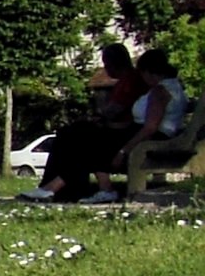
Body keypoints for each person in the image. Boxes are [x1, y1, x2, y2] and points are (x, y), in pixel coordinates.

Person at [22, 43, 147, 202]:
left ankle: (55, 188)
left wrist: (100, 116)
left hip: (122, 134)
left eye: (106, 63)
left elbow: (117, 110)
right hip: (118, 130)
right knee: (70, 135)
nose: (105, 68)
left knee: (79, 138)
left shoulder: (131, 81)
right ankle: (55, 188)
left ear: (113, 63)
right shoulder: (127, 80)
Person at [78, 47, 189, 204]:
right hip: (161, 134)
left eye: (142, 74)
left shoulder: (159, 91)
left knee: (93, 138)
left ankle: (106, 189)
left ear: (149, 72)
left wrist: (123, 151)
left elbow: (150, 127)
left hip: (153, 137)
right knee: (98, 134)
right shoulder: (175, 87)